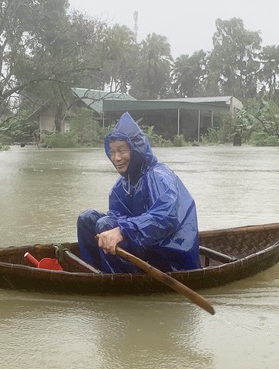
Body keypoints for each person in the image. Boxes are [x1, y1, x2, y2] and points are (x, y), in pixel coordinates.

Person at [76, 112, 201, 273]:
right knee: (86, 219)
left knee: (105, 225)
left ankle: (118, 283)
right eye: (113, 152)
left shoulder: (159, 176)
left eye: (121, 150)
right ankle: (96, 272)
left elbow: (165, 218)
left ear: (136, 150)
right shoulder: (120, 187)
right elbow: (115, 216)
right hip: (143, 245)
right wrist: (120, 229)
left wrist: (123, 230)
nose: (116, 158)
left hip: (170, 254)